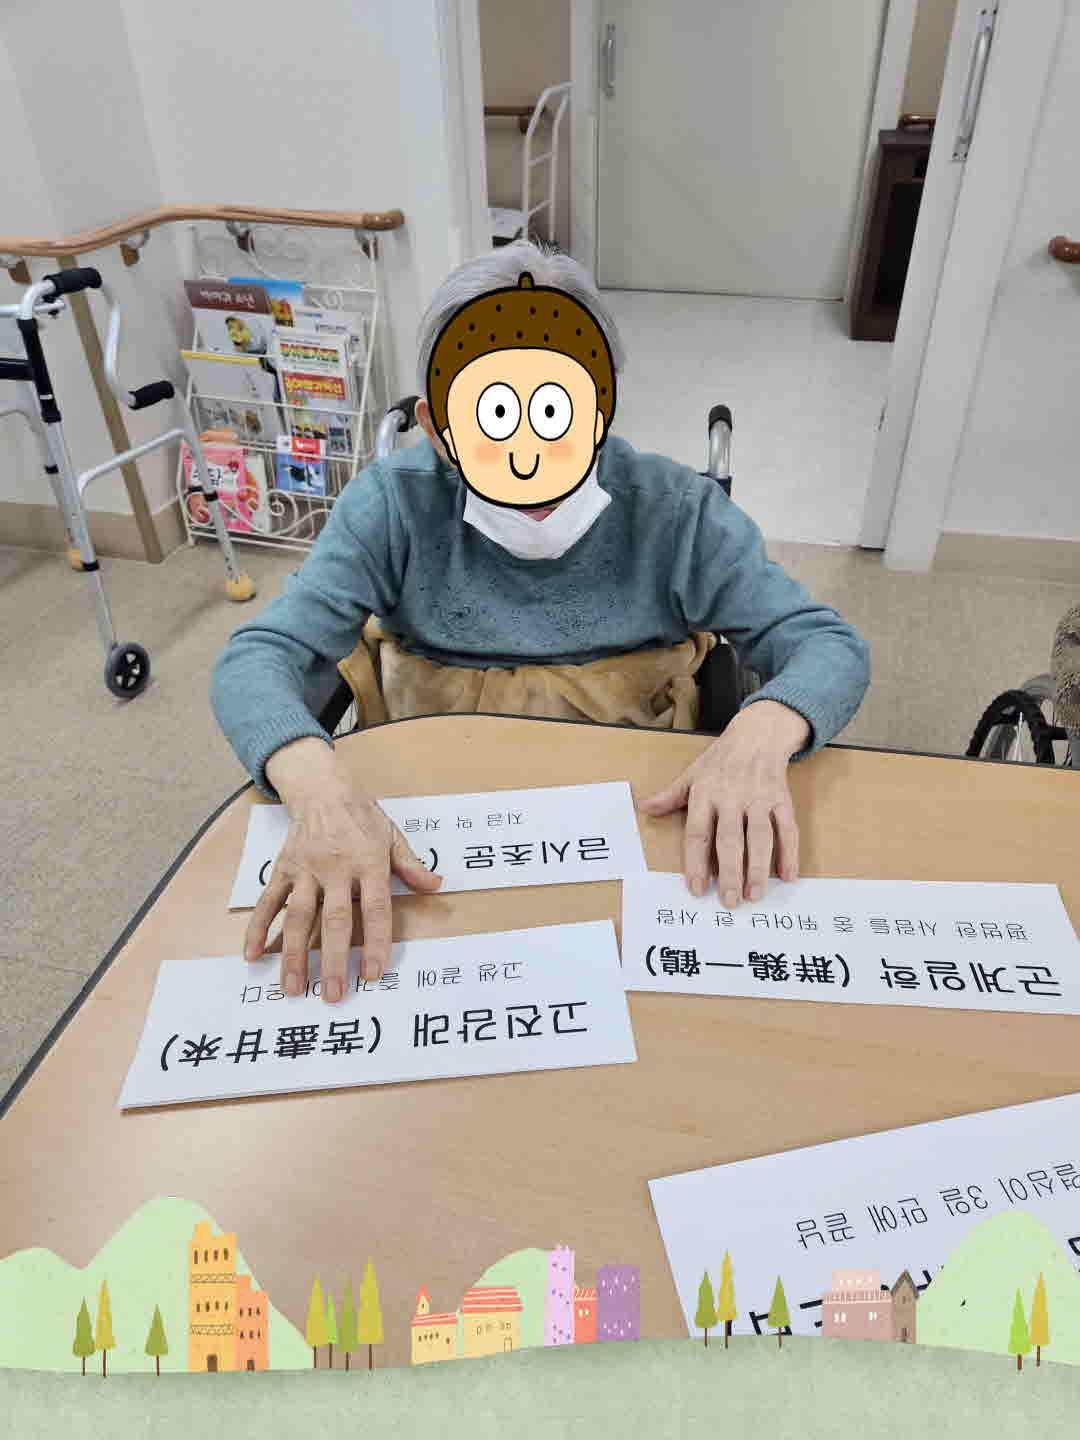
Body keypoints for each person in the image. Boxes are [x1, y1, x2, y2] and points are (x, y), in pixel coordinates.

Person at [210, 240, 870, 1005]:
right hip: (433, 813)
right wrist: (316, 784)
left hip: (634, 807)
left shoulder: (675, 512)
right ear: (436, 424)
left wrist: (762, 730)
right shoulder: (393, 505)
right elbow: (257, 658)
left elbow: (827, 645)